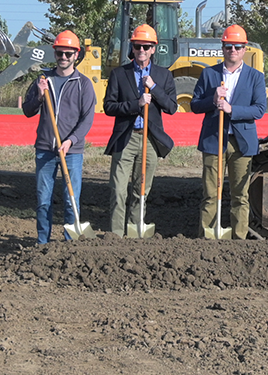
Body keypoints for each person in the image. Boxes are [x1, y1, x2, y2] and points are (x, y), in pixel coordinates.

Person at [189, 25, 267, 239]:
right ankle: (207, 236)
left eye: (238, 46)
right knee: (210, 193)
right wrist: (212, 101)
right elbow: (195, 105)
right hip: (214, 140)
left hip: (241, 142)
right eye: (229, 46)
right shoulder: (209, 74)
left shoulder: (255, 77)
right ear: (222, 48)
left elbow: (259, 108)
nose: (233, 50)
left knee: (240, 195)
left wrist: (232, 110)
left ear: (244, 49)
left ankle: (238, 238)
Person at [20, 30, 96, 244]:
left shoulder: (83, 84)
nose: (64, 57)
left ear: (76, 55)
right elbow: (28, 110)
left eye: (68, 54)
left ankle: (70, 244)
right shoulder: (43, 80)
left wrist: (71, 140)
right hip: (45, 149)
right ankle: (42, 243)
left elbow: (87, 119)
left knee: (72, 201)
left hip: (72, 152)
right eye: (60, 53)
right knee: (43, 201)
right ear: (55, 53)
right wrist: (38, 94)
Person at [103, 23, 177, 237]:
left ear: (153, 48)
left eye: (146, 46)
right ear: (132, 48)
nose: (141, 50)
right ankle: (116, 236)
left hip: (150, 140)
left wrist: (154, 88)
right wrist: (137, 104)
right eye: (137, 46)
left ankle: (135, 234)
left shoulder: (163, 76)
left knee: (141, 191)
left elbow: (171, 107)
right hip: (126, 138)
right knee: (118, 191)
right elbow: (109, 106)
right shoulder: (119, 74)